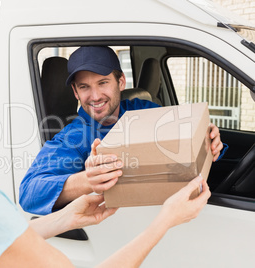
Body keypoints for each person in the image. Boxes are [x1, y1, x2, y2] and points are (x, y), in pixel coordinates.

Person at [0, 5, 211, 267]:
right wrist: (166, 219)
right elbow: (5, 210)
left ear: (120, 82)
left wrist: (65, 217)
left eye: (103, 82)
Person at [19, 46, 227, 215]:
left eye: (103, 83)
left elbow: (182, 142)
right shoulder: (73, 138)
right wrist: (87, 180)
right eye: (84, 87)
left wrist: (211, 142)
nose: (95, 96)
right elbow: (28, 193)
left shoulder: (142, 109)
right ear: (75, 92)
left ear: (120, 82)